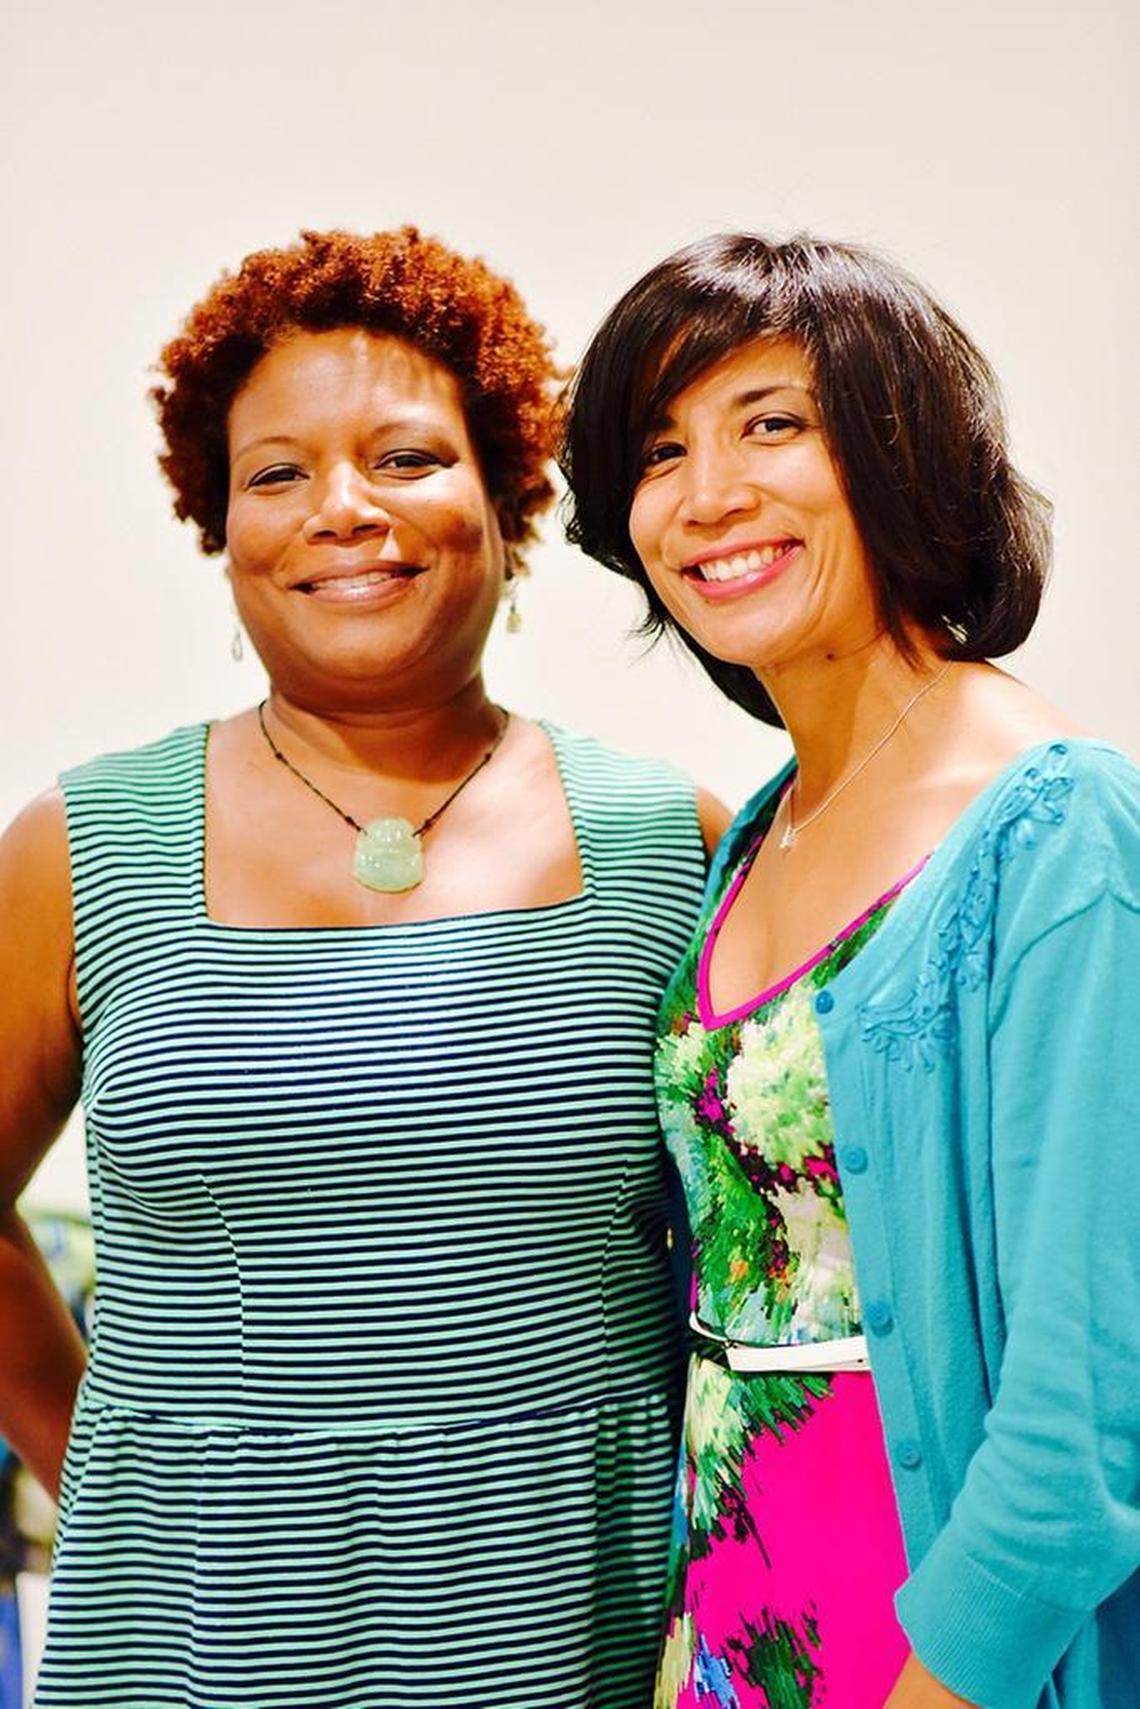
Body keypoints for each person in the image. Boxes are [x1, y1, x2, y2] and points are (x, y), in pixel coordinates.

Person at [0, 225, 729, 1709]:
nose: (342, 511)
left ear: (506, 496)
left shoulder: (673, 841)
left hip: (567, 1643)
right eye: (275, 474)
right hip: (189, 1654)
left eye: (405, 458)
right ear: (220, 528)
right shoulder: (79, 843)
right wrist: (102, 1455)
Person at [560, 234, 1139, 1709]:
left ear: (902, 449)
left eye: (771, 424)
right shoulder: (758, 826)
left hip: (950, 1654)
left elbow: (1085, 1415)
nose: (708, 496)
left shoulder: (1059, 828)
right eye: (660, 450)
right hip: (747, 1620)